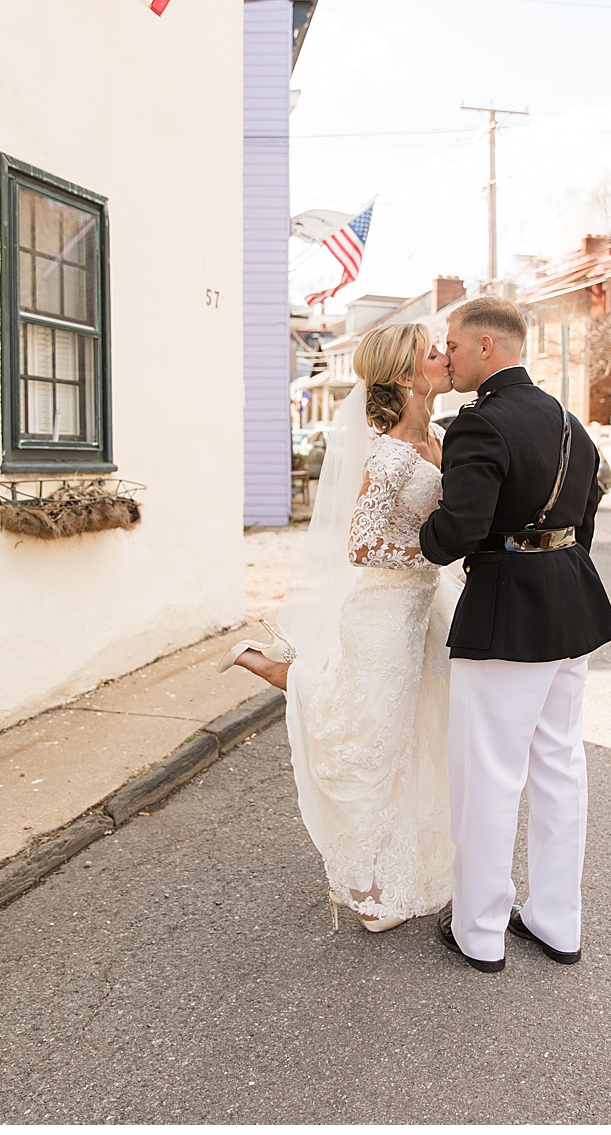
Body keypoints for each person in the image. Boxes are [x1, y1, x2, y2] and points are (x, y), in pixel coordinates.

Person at [221, 321, 457, 932]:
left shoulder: (433, 438)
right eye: (434, 354)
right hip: (381, 614)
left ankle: (402, 869)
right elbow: (360, 544)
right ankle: (364, 885)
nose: (444, 360)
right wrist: (429, 556)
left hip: (420, 611)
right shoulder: (391, 452)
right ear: (406, 375)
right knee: (367, 743)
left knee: (409, 737)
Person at [419, 297, 611, 973]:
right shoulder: (569, 422)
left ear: (485, 347)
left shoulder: (480, 425)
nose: (446, 356)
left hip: (507, 611)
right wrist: (560, 562)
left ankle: (479, 931)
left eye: (452, 344)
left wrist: (420, 534)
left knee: (489, 774)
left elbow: (457, 533)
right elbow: (587, 512)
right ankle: (558, 923)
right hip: (572, 605)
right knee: (560, 765)